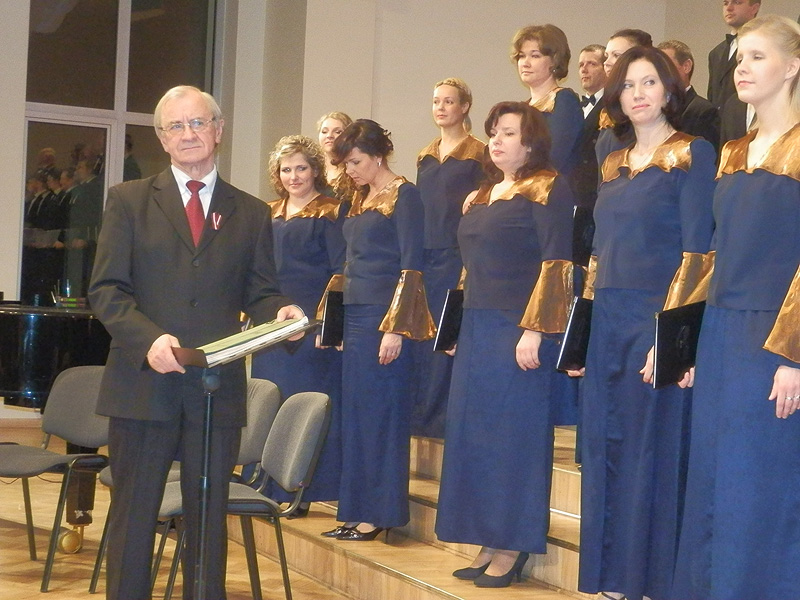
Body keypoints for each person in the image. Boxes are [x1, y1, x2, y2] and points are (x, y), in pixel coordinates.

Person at [88, 85, 304, 600]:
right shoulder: (128, 201)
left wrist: (282, 313)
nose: (188, 134)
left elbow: (261, 293)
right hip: (144, 384)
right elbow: (107, 290)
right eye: (176, 126)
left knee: (207, 523)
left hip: (214, 391)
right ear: (163, 138)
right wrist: (148, 341)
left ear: (218, 131)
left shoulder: (251, 212)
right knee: (134, 518)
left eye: (198, 123)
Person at [570, 47, 716, 600]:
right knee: (605, 447)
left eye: (649, 82)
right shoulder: (611, 159)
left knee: (649, 449)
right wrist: (582, 335)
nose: (638, 93)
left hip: (655, 318)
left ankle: (646, 581)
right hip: (607, 320)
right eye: (629, 84)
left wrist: (674, 340)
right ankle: (610, 577)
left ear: (670, 89)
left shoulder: (693, 153)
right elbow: (597, 256)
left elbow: (698, 253)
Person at [673, 15, 800, 600]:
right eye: (739, 58)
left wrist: (793, 356)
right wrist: (689, 343)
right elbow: (714, 254)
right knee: (713, 478)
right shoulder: (732, 151)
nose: (741, 68)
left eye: (756, 56)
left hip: (774, 336)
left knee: (759, 481)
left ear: (792, 66)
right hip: (722, 333)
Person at [435, 101, 575, 588]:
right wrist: (455, 329)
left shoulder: (548, 186)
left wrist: (536, 329)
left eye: (509, 132)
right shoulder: (481, 194)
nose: (496, 140)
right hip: (476, 327)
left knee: (513, 439)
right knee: (475, 435)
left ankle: (512, 542)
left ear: (531, 143)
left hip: (518, 328)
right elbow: (467, 269)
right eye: (494, 132)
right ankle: (487, 536)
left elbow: (557, 263)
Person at [321, 119, 435, 541]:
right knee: (355, 416)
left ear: (377, 155)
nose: (349, 170)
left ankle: (380, 512)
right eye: (345, 163)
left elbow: (412, 265)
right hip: (354, 317)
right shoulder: (358, 198)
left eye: (355, 161)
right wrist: (333, 324)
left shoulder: (405, 195)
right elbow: (346, 265)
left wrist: (396, 329)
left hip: (383, 318)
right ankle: (354, 509)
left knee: (382, 416)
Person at [251, 135, 346, 516]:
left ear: (315, 170)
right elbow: (257, 272)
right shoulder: (268, 213)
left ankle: (304, 489)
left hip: (311, 328)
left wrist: (325, 325)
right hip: (271, 326)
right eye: (286, 169)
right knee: (269, 403)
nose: (294, 176)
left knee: (306, 407)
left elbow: (340, 274)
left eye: (301, 168)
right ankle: (265, 483)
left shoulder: (331, 212)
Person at [412, 77, 485, 438]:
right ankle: (420, 414)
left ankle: (442, 417)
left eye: (448, 101)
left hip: (456, 254)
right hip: (425, 254)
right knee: (423, 334)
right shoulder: (425, 155)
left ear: (464, 107)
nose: (440, 108)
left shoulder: (479, 153)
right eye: (436, 101)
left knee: (447, 333)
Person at [512, 24, 583, 179]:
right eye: (522, 56)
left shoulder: (564, 101)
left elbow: (554, 157)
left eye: (535, 56)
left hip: (550, 188)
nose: (525, 63)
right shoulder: (523, 108)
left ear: (554, 61)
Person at [595, 29, 653, 167]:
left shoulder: (646, 110)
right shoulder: (610, 108)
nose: (607, 63)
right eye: (607, 56)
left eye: (616, 55)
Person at [574, 43, 608, 269]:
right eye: (581, 65)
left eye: (591, 64)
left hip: (594, 197)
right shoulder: (575, 107)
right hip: (575, 198)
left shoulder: (612, 107)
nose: (584, 70)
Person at [659, 39, 721, 153]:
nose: (660, 73)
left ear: (686, 66)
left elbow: (707, 158)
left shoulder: (705, 112)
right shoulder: (653, 110)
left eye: (666, 65)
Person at [708, 0, 761, 111]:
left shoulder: (763, 46)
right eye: (725, 3)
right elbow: (713, 97)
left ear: (754, 8)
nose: (729, 8)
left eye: (737, 2)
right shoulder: (715, 53)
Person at [317, 111, 358, 201]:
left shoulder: (356, 171)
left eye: (337, 132)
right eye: (324, 131)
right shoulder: (312, 169)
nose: (329, 136)